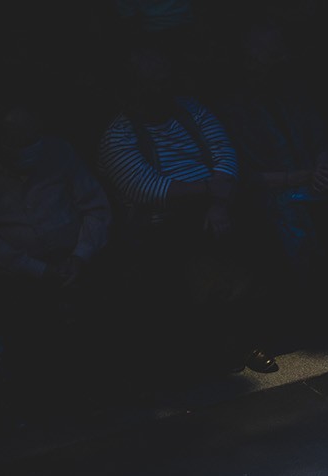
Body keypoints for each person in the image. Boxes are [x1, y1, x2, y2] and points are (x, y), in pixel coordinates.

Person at [96, 35, 277, 376]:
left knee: (253, 231)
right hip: (163, 220)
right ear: (133, 86)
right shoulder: (117, 135)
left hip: (217, 205)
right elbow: (150, 189)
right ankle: (215, 349)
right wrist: (210, 192)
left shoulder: (192, 110)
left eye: (166, 79)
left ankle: (246, 340)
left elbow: (225, 155)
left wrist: (220, 203)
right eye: (153, 82)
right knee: (190, 259)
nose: (163, 88)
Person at [213, 11, 328, 354]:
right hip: (271, 192)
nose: (281, 60)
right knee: (287, 225)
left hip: (311, 180)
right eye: (271, 55)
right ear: (250, 59)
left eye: (281, 53)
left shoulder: (294, 92)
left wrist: (319, 167)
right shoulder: (233, 108)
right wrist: (301, 176)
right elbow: (245, 174)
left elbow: (320, 137)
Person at [0, 96, 112, 398]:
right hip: (16, 269)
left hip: (75, 258)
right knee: (23, 325)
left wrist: (80, 256)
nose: (30, 145)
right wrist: (39, 270)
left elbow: (96, 208)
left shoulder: (60, 151)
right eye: (18, 140)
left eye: (34, 136)